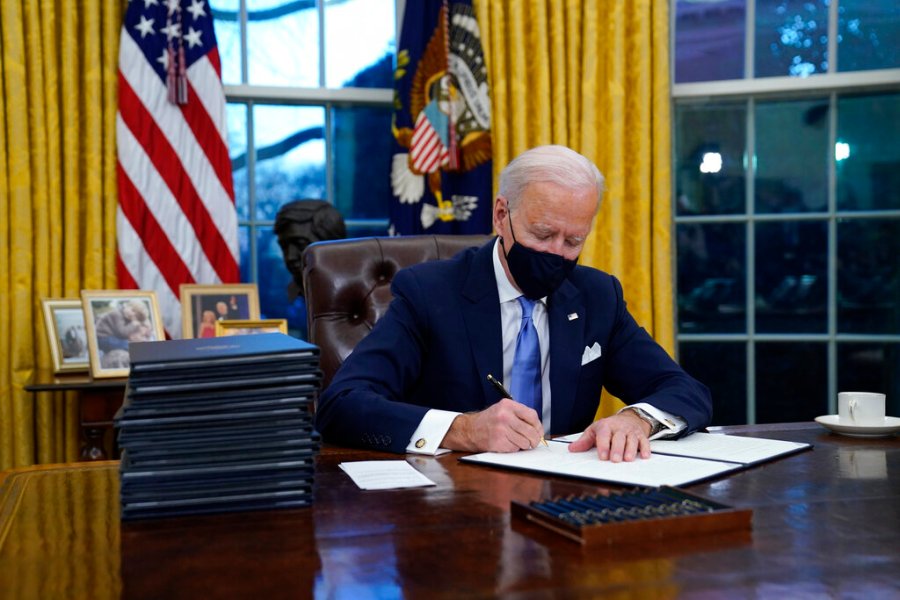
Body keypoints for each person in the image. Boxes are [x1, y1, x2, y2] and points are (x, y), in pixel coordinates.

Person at [315, 145, 712, 462]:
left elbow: (683, 389)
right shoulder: (429, 293)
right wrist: (463, 430)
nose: (557, 253)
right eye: (542, 234)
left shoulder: (596, 297)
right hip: (453, 505)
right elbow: (342, 405)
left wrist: (637, 418)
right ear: (502, 215)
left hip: (564, 499)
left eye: (573, 241)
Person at [274, 199, 347, 301]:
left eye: (300, 244)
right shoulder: (278, 297)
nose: (290, 257)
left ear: (331, 245)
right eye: (284, 247)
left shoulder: (357, 295)